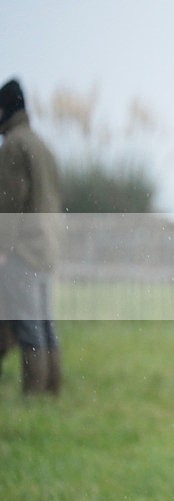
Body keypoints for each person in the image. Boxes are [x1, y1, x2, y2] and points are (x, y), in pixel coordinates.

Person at [0, 78, 62, 395]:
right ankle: (52, 394)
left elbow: (9, 203)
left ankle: (34, 400)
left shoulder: (13, 145)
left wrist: (1, 248)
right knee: (46, 326)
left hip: (23, 251)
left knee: (29, 328)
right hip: (47, 249)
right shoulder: (42, 145)